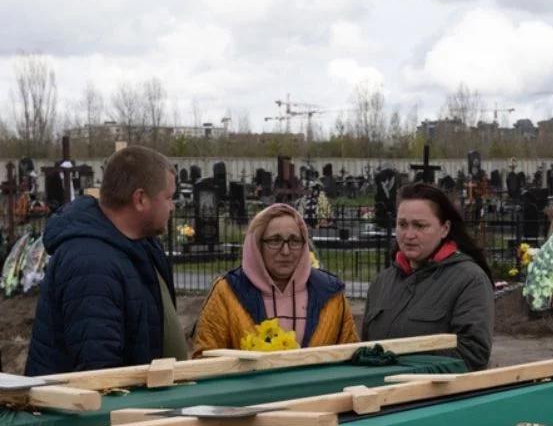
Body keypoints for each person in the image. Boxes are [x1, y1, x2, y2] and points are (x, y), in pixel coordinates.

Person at [25, 146, 186, 375]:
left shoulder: (142, 244)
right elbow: (99, 371)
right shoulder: (89, 262)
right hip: (97, 407)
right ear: (140, 199)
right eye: (168, 197)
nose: (172, 206)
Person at [191, 203, 357, 356]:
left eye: (294, 241)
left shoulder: (330, 293)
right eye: (275, 241)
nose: (285, 251)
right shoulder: (227, 292)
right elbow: (205, 357)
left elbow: (351, 355)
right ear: (257, 245)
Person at [362, 183, 493, 370]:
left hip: (434, 397)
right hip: (378, 394)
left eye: (419, 226)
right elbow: (366, 346)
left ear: (444, 229)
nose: (409, 235)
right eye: (402, 225)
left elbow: (472, 354)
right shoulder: (382, 282)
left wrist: (398, 367)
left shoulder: (470, 281)